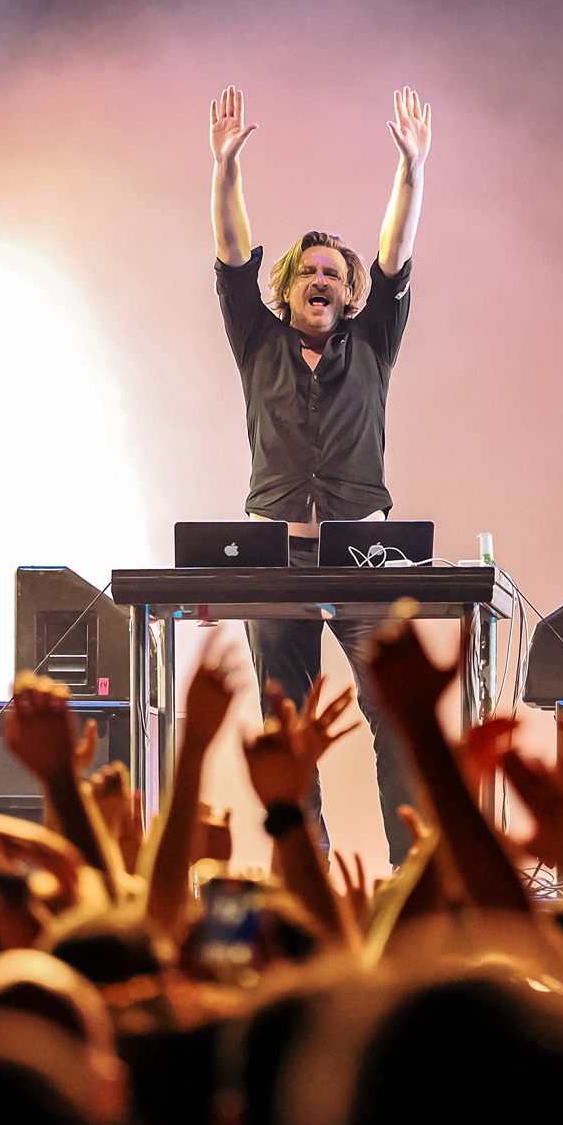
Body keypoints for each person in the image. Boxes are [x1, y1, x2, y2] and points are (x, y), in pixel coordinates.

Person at [208, 84, 432, 864]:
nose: (321, 278)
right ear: (288, 287)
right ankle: (304, 865)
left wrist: (412, 169)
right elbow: (232, 253)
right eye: (308, 269)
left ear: (348, 290)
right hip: (274, 555)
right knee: (286, 725)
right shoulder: (256, 339)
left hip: (361, 554)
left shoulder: (372, 340)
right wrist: (224, 169)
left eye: (333, 271)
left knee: (395, 713)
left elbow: (395, 250)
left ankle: (409, 867)